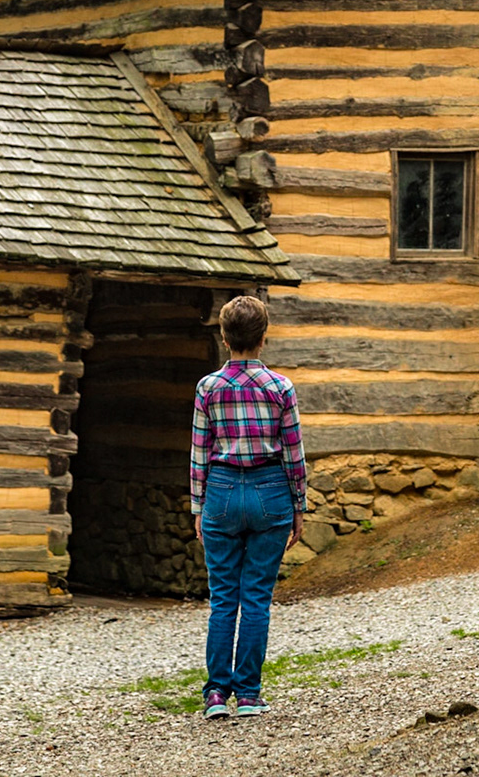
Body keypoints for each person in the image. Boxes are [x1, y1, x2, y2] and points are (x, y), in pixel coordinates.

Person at [190, 294, 304, 720]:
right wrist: (299, 505)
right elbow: (294, 452)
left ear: (224, 337)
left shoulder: (208, 388)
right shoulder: (281, 388)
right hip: (271, 490)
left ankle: (217, 694)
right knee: (256, 598)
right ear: (264, 337)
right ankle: (250, 695)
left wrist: (198, 506)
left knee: (223, 600)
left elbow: (200, 451)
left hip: (220, 491)